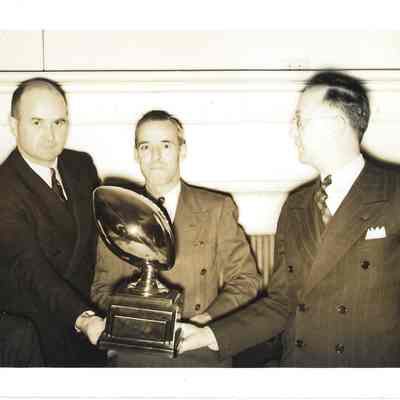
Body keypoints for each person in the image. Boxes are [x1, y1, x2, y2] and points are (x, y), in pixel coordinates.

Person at [178, 71, 400, 367]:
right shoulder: (295, 206)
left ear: (335, 125)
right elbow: (282, 303)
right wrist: (209, 335)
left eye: (300, 120)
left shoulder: (393, 192)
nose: (292, 131)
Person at [91, 110, 261, 366]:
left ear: (182, 150)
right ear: (136, 154)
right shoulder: (116, 212)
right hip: (134, 350)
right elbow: (102, 289)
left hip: (197, 345)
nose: (156, 157)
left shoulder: (217, 208)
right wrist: (132, 322)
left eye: (166, 145)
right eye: (146, 146)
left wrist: (205, 321)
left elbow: (246, 280)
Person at [0, 77, 106, 367]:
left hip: (94, 330)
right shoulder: (4, 188)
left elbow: (101, 240)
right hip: (39, 338)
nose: (50, 135)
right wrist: (85, 319)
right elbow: (32, 269)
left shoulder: (81, 165)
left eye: (59, 123)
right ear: (14, 125)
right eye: (37, 122)